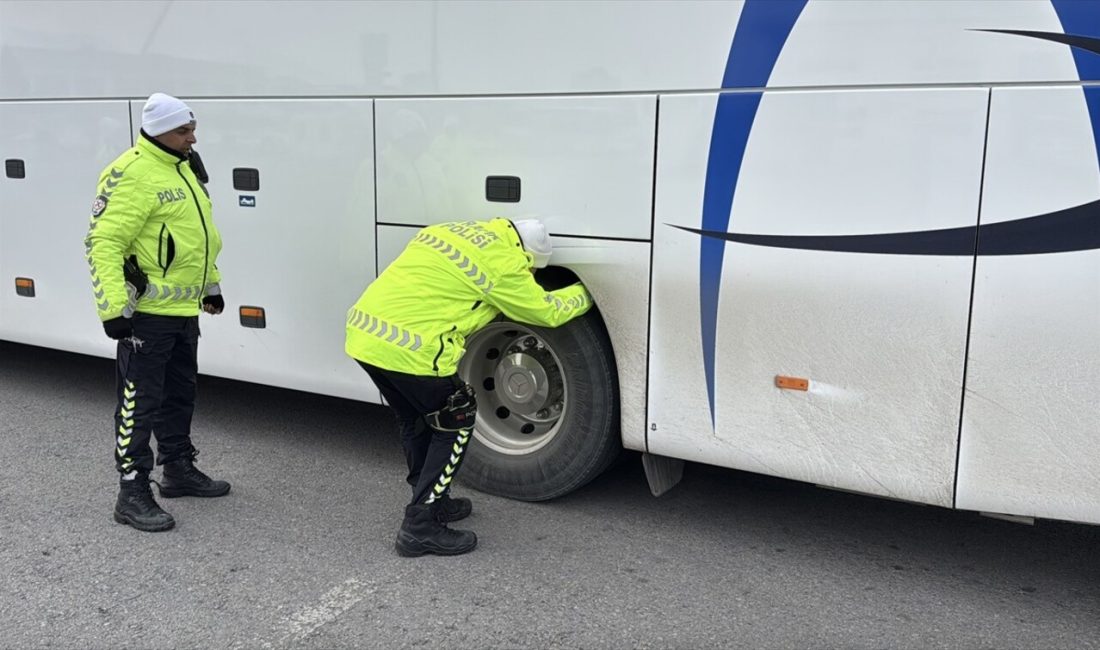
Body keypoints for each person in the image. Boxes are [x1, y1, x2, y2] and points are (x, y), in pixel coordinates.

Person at [346, 218, 592, 557]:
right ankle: (419, 526)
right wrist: (589, 292)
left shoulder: (451, 231)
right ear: (527, 255)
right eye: (531, 270)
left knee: (416, 420)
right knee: (456, 422)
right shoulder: (505, 263)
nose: (530, 276)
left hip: (365, 335)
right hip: (411, 350)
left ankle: (433, 500)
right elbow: (545, 311)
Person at [84, 93, 230, 533]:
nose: (193, 137)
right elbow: (103, 244)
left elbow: (199, 239)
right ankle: (131, 492)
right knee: (138, 402)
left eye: (192, 129)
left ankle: (178, 469)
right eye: (184, 131)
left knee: (180, 393)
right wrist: (112, 310)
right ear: (159, 131)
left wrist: (211, 287)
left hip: (182, 311)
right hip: (146, 314)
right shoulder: (131, 173)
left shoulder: (183, 166)